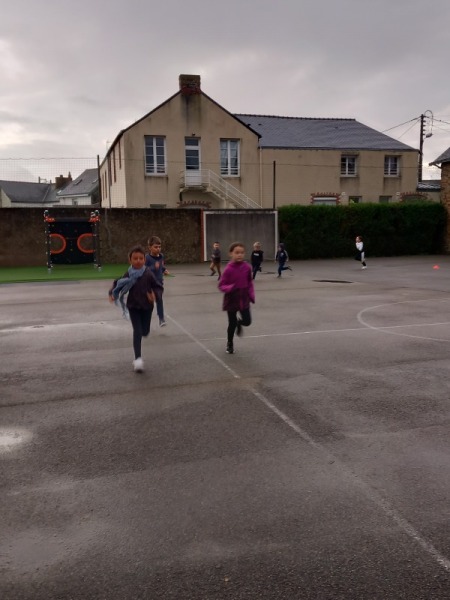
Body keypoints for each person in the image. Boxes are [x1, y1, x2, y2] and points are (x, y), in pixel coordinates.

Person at [109, 245, 162, 373]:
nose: (138, 261)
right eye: (135, 258)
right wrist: (112, 292)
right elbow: (118, 282)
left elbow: (157, 286)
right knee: (137, 331)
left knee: (145, 332)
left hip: (147, 307)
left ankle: (144, 333)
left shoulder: (148, 273)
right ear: (130, 260)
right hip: (133, 307)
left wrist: (155, 295)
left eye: (140, 258)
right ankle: (137, 359)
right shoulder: (129, 273)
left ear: (144, 260)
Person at [218, 242, 255, 354]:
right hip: (231, 300)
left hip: (244, 299)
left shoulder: (247, 267)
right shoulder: (228, 269)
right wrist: (230, 288)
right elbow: (221, 285)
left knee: (247, 321)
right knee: (232, 323)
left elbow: (250, 282)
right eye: (237, 252)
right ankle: (230, 343)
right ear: (231, 254)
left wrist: (251, 295)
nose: (239, 255)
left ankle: (240, 323)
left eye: (242, 253)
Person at [145, 235, 170, 326]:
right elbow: (144, 270)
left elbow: (161, 266)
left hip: (159, 283)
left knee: (159, 300)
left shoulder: (161, 256)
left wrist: (164, 270)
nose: (158, 249)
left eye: (159, 247)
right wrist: (153, 267)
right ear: (150, 247)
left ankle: (161, 319)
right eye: (156, 247)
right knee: (149, 303)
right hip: (149, 284)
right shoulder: (147, 258)